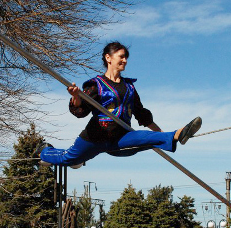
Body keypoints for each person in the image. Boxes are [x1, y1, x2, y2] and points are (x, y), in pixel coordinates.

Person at [38, 41, 202, 167]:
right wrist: (75, 96)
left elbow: (142, 115)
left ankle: (178, 134)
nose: (124, 60)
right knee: (68, 158)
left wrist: (162, 134)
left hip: (121, 139)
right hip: (95, 137)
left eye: (126, 58)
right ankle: (44, 151)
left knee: (145, 138)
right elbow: (81, 111)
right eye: (121, 56)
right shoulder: (96, 84)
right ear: (108, 58)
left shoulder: (130, 88)